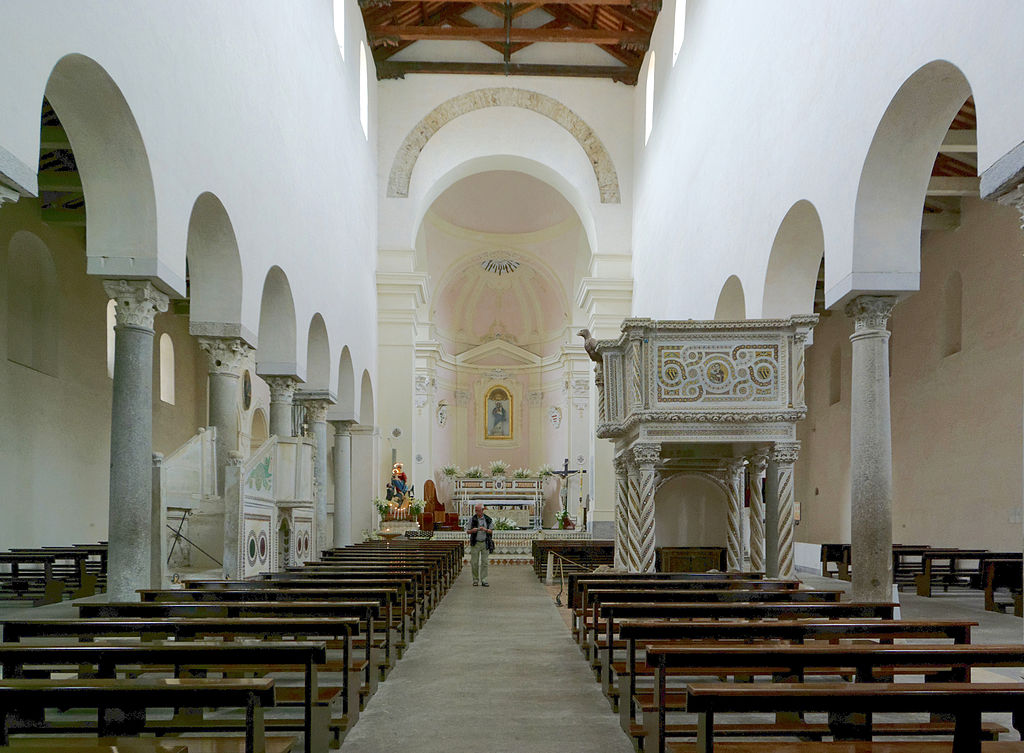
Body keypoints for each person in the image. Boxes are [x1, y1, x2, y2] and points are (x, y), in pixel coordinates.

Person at [467, 503, 493, 587]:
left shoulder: (488, 519)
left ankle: (484, 579)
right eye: (476, 510)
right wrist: (472, 530)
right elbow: (467, 531)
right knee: (474, 562)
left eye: (478, 510)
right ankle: (475, 579)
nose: (477, 512)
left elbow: (491, 531)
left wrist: (485, 530)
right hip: (475, 543)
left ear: (482, 510)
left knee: (484, 562)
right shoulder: (472, 519)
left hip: (485, 543)